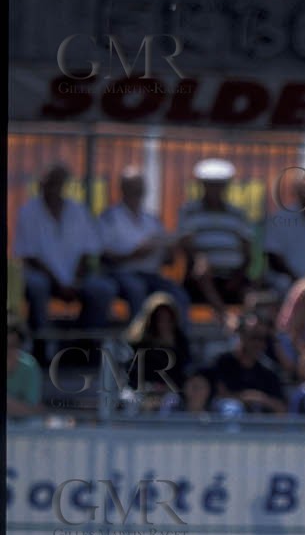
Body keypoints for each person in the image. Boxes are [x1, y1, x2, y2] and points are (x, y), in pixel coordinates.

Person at [13, 162, 115, 339]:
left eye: (58, 183)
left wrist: (74, 280)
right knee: (37, 286)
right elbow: (29, 256)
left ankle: (89, 342)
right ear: (41, 184)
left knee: (102, 288)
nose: (53, 188)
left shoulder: (79, 211)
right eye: (49, 182)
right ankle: (43, 343)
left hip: (76, 277)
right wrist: (59, 283)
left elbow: (88, 250)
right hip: (43, 276)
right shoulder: (27, 212)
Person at [98, 169, 188, 321]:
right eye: (132, 188)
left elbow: (167, 261)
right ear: (123, 189)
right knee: (136, 290)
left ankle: (178, 342)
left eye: (140, 189)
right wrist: (133, 254)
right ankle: (138, 341)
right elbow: (104, 257)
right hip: (121, 274)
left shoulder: (151, 220)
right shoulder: (110, 218)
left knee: (178, 295)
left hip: (151, 275)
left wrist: (172, 250)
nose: (137, 193)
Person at [178, 158, 255, 318]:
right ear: (202, 185)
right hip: (202, 278)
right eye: (210, 184)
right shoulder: (189, 211)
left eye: (219, 184)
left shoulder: (237, 214)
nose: (214, 189)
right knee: (201, 271)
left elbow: (248, 250)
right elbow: (186, 244)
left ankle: (247, 329)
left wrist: (238, 275)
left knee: (255, 296)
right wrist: (199, 259)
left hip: (234, 275)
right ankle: (225, 318)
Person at [204, 315, 287, 415]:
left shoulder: (269, 370)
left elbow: (281, 407)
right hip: (223, 421)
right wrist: (246, 397)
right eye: (254, 337)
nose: (259, 343)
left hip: (259, 424)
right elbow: (219, 394)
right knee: (232, 408)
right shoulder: (223, 363)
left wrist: (261, 399)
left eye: (263, 339)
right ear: (241, 336)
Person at [7, 320, 44, 418]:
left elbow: (32, 410)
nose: (8, 351)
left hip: (23, 425)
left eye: (12, 345)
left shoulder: (29, 366)